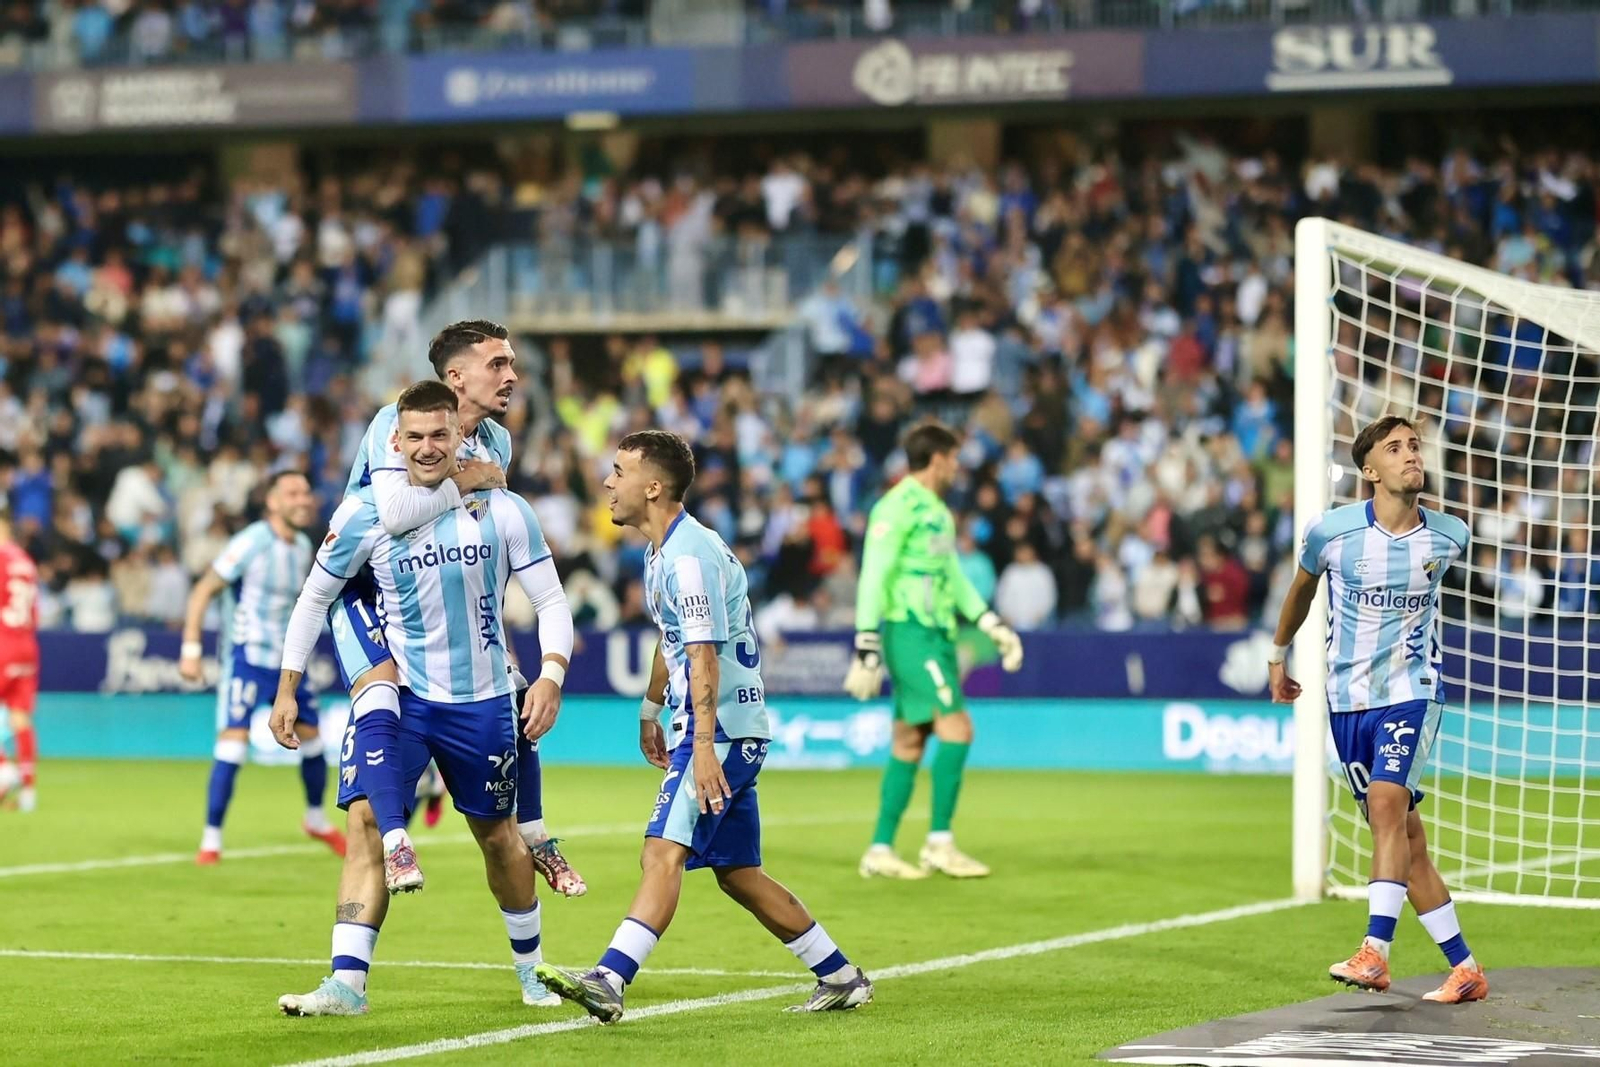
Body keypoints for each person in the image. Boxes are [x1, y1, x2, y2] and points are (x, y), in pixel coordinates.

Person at [536, 430, 874, 1023]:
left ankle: (610, 979)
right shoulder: (664, 549)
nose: (609, 483)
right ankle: (841, 975)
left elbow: (703, 655)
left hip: (717, 733)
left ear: (654, 486)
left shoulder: (688, 557)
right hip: (723, 729)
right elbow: (675, 643)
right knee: (739, 874)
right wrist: (649, 708)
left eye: (619, 471)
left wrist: (701, 745)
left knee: (661, 851)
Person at [270, 381, 576, 1015]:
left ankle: (531, 971)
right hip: (407, 698)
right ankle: (346, 983)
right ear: (395, 442)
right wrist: (288, 685)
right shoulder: (365, 516)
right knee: (362, 826)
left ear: (461, 436)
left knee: (498, 839)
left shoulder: (503, 508)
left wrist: (550, 672)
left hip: (483, 699)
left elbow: (550, 599)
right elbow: (314, 600)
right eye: (417, 437)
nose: (430, 448)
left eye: (442, 435)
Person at [333, 320, 583, 897]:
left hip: (438, 594)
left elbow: (479, 543)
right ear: (455, 377)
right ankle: (352, 965)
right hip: (365, 588)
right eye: (498, 364)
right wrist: (470, 478)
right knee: (381, 713)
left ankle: (536, 831)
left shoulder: (497, 441)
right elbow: (396, 514)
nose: (512, 376)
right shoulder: (394, 420)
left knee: (512, 685)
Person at [1269, 415, 1485, 1004]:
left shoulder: (1449, 534)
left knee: (1388, 806)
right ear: (1370, 471)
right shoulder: (1331, 533)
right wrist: (1277, 654)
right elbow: (1301, 590)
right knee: (1404, 839)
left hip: (1411, 691)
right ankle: (1465, 968)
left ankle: (1375, 953)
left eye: (1414, 445)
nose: (1411, 454)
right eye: (1395, 448)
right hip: (1347, 701)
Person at [844, 421, 1024, 880]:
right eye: (955, 458)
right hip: (910, 633)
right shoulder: (896, 506)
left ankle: (880, 849)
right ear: (939, 458)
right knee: (958, 728)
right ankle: (939, 842)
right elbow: (874, 574)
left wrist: (989, 621)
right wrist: (866, 642)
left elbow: (953, 578)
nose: (958, 467)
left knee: (910, 740)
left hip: (939, 636)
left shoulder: (938, 513)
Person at [178, 471, 343, 862]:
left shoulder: (304, 545)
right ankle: (211, 839)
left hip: (289, 664)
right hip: (248, 659)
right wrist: (190, 648)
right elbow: (204, 589)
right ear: (272, 502)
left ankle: (316, 819)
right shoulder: (251, 542)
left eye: (306, 492)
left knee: (314, 741)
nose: (303, 499)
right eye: (293, 493)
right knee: (232, 746)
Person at [0, 515, 39, 812]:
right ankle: (28, 792)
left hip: (3, 641)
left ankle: (4, 770)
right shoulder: (26, 561)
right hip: (27, 644)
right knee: (20, 719)